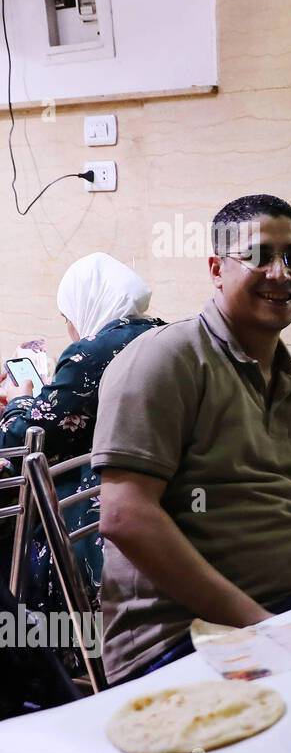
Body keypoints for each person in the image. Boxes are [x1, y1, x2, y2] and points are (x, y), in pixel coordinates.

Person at [91, 194, 291, 683]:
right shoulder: (167, 361)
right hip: (183, 637)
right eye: (259, 256)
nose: (280, 273)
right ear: (216, 269)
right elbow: (125, 516)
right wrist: (264, 628)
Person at [0, 253, 162, 615]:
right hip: (160, 507)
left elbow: (24, 440)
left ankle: (30, 656)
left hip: (91, 524)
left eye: (68, 317)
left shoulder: (91, 353)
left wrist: (19, 401)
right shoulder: (162, 335)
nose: (71, 328)